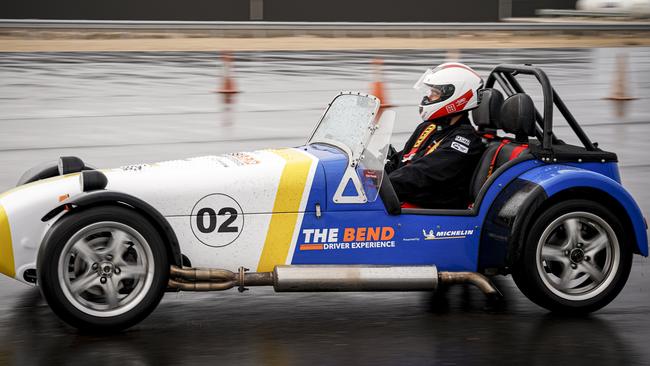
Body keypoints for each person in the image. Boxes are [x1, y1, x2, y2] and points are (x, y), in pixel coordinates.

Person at [385, 62, 485, 209]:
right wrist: (369, 174)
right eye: (430, 92)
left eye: (435, 93)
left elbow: (421, 174)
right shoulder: (429, 128)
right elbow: (402, 161)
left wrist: (381, 186)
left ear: (456, 97)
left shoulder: (465, 141)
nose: (428, 97)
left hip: (431, 214)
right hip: (402, 203)